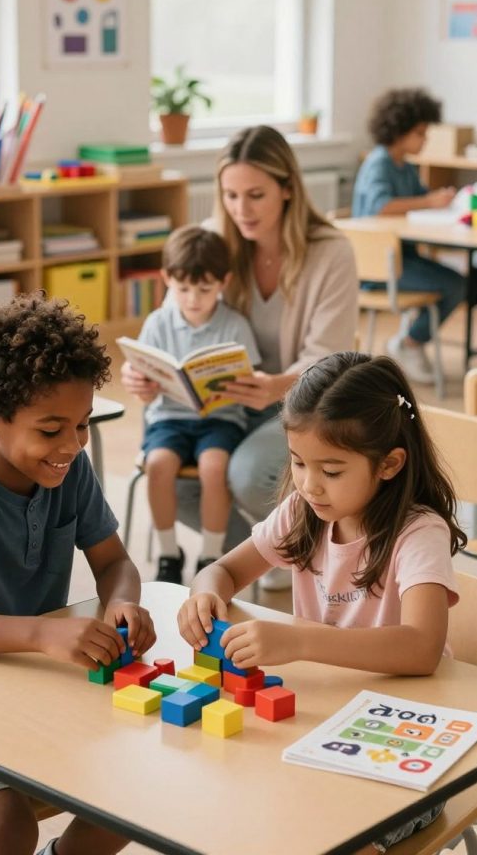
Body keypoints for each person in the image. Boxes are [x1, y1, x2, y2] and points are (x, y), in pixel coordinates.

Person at [0, 293, 156, 855]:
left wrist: (122, 603)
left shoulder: (71, 472)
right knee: (6, 827)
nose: (71, 445)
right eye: (51, 429)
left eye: (83, 425)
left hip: (34, 682)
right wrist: (41, 633)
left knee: (135, 792)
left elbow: (114, 562)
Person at [178, 350, 466, 854]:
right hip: (318, 725)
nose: (309, 484)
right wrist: (205, 595)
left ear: (390, 463)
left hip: (404, 742)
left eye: (331, 470)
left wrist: (299, 640)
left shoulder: (418, 532)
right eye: (297, 462)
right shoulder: (302, 514)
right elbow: (222, 570)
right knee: (224, 804)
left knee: (335, 839)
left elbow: (421, 648)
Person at [122, 125, 358, 586]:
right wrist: (144, 373)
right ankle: (266, 552)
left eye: (255, 195)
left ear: (287, 189)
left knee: (248, 475)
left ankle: (280, 550)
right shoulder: (214, 241)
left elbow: (329, 358)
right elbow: (173, 322)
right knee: (178, 475)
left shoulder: (331, 253)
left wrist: (274, 385)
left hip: (301, 402)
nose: (241, 210)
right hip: (222, 405)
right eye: (230, 195)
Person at [135, 225, 260, 584]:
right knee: (157, 466)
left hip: (220, 419)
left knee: (214, 467)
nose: (193, 298)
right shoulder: (158, 322)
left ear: (224, 282)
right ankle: (168, 554)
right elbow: (141, 371)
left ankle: (211, 555)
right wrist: (143, 380)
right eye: (183, 288)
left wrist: (233, 385)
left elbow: (249, 378)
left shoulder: (235, 324)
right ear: (166, 280)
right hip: (168, 419)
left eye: (204, 289)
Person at [352, 88, 466, 384]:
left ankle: (412, 340)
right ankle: (409, 343)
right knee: (455, 284)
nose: (425, 139)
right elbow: (382, 206)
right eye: (420, 133)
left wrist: (439, 198)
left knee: (470, 282)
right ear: (398, 130)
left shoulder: (404, 166)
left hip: (404, 260)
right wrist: (429, 202)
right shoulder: (379, 163)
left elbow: (419, 198)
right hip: (380, 268)